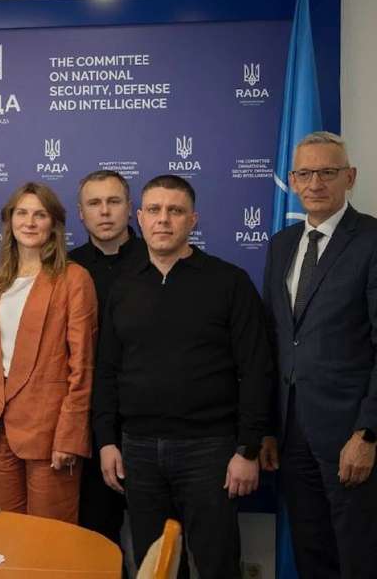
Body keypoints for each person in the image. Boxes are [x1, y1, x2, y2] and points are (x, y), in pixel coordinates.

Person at [92, 175, 272, 579]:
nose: (163, 219)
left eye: (175, 211)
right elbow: (105, 371)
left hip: (210, 450)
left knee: (217, 565)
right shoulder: (123, 287)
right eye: (154, 210)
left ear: (193, 220)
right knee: (157, 567)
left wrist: (247, 449)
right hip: (138, 452)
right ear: (140, 217)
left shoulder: (229, 282)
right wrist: (106, 441)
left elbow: (256, 370)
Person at [260, 131, 377, 579]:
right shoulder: (282, 244)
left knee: (359, 558)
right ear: (291, 181)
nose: (315, 183)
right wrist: (268, 428)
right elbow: (276, 340)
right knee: (312, 556)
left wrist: (367, 433)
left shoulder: (370, 240)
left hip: (349, 437)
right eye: (305, 173)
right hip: (292, 437)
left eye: (327, 172)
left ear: (350, 177)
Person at [0, 182, 96, 522]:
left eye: (40, 214)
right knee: (5, 534)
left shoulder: (73, 279)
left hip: (49, 433)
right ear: (10, 221)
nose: (30, 222)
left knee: (50, 538)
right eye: (22, 213)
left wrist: (70, 436)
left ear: (54, 223)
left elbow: (82, 365)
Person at [68, 170, 143, 556]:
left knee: (159, 539)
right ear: (81, 213)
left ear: (130, 208)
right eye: (94, 204)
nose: (105, 211)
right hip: (88, 421)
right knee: (97, 539)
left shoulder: (158, 259)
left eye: (114, 202)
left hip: (148, 419)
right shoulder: (66, 269)